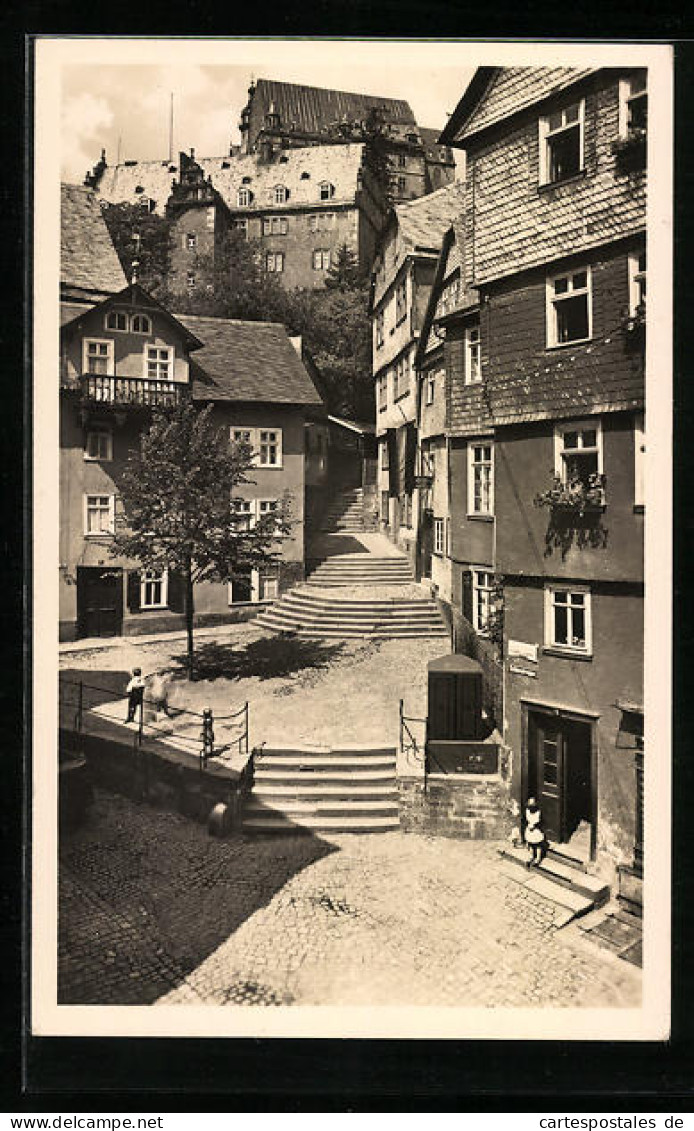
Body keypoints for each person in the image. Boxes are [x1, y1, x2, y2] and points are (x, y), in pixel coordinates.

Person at [524, 796, 547, 867]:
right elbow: (525, 819)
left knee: (538, 845)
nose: (531, 807)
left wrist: (535, 825)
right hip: (530, 829)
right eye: (530, 805)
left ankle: (538, 858)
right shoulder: (527, 811)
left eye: (533, 805)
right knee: (530, 844)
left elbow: (541, 822)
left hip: (536, 830)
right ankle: (531, 856)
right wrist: (528, 825)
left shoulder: (538, 812)